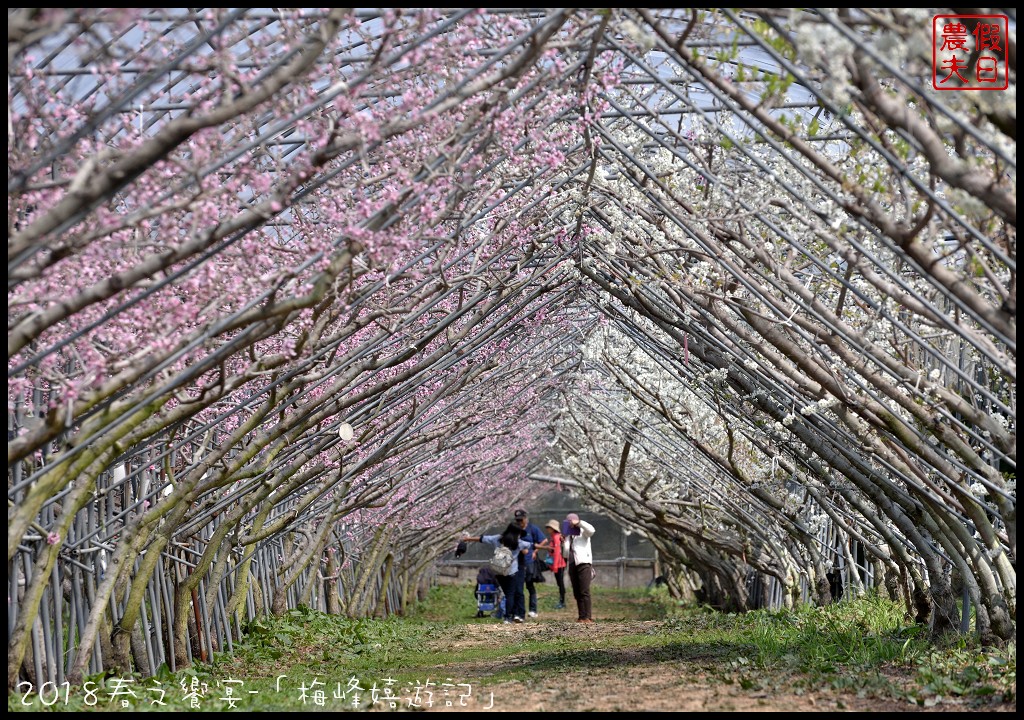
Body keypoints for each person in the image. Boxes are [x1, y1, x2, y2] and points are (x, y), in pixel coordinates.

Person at [463, 524, 534, 623]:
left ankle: (510, 616)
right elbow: (532, 545)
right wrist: (548, 547)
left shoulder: (497, 538)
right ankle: (508, 617)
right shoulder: (518, 542)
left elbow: (482, 538)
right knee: (510, 594)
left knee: (507, 593)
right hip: (511, 572)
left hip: (498, 572)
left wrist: (468, 539)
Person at [562, 512, 596, 623]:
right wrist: (564, 542)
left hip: (583, 563)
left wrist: (579, 523)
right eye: (568, 521)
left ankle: (588, 616)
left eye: (572, 521)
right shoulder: (568, 535)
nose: (570, 523)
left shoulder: (583, 532)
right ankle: (581, 616)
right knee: (577, 591)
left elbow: (592, 530)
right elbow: (566, 553)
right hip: (572, 564)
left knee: (584, 590)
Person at [514, 509, 546, 618]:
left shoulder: (532, 528)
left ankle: (533, 610)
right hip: (517, 562)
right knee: (518, 587)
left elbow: (544, 540)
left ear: (525, 518)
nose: (519, 522)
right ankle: (518, 611)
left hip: (529, 562)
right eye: (517, 520)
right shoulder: (515, 529)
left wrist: (535, 552)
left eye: (521, 520)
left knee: (529, 585)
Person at [539, 519, 567, 609]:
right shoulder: (554, 536)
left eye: (549, 527)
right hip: (556, 563)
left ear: (553, 528)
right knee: (560, 583)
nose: (547, 529)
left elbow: (557, 552)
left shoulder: (556, 537)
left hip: (558, 564)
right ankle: (562, 601)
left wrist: (555, 566)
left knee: (560, 583)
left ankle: (562, 602)